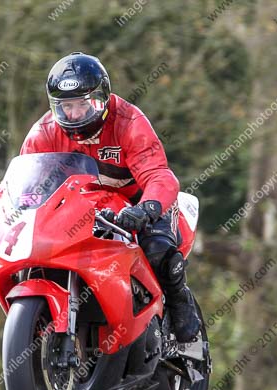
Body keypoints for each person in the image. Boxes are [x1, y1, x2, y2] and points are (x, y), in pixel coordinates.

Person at [20, 52, 201, 342]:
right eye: (66, 107)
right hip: (82, 208)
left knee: (157, 249)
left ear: (102, 98)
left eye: (83, 104)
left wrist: (147, 208)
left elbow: (158, 174)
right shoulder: (43, 133)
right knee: (36, 252)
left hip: (136, 202)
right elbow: (25, 184)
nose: (75, 115)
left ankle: (180, 302)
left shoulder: (129, 122)